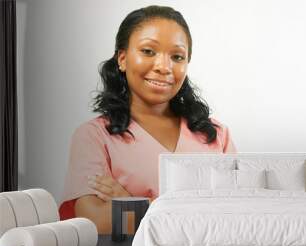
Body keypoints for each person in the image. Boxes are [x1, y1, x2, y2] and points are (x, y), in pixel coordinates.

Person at [59, 5, 237, 233]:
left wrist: (133, 204)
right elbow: (94, 220)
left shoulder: (217, 135)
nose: (164, 67)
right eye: (148, 51)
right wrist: (196, 205)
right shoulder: (94, 136)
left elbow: (234, 212)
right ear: (122, 59)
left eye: (177, 56)